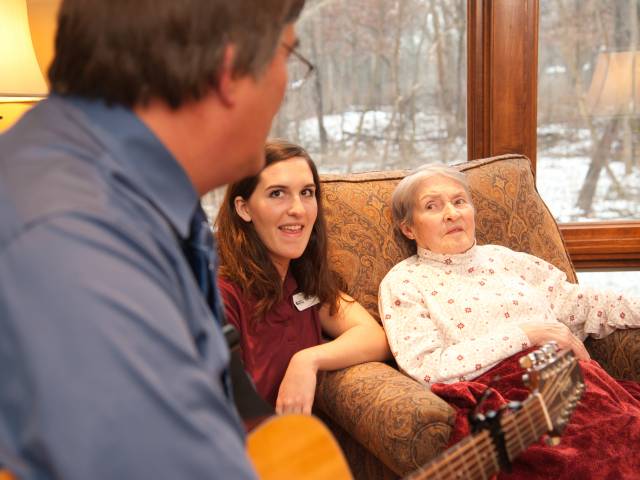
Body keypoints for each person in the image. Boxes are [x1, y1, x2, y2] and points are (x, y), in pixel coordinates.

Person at [0, 1, 307, 478]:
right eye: (289, 56)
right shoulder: (75, 245)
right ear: (228, 70)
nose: (287, 86)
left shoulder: (147, 197)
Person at [379, 164, 640, 478]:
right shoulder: (405, 282)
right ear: (409, 228)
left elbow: (582, 303)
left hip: (579, 381)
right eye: (432, 206)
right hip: (513, 397)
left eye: (460, 201)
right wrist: (530, 333)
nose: (451, 213)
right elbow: (427, 367)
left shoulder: (507, 260)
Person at [215, 139, 390, 416]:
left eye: (307, 193)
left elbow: (374, 337)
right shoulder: (221, 295)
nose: (298, 208)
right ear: (244, 208)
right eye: (277, 194)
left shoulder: (301, 276)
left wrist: (308, 360)